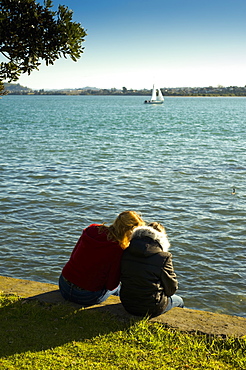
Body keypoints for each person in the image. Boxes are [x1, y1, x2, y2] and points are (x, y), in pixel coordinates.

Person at [59, 211, 145, 306]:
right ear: (130, 231)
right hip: (86, 295)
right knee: (118, 289)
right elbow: (111, 285)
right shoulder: (119, 249)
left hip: (64, 284)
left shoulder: (91, 229)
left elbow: (73, 255)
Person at [120, 222, 184, 317]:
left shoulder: (126, 252)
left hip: (127, 304)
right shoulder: (163, 258)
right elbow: (171, 289)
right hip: (151, 308)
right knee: (179, 301)